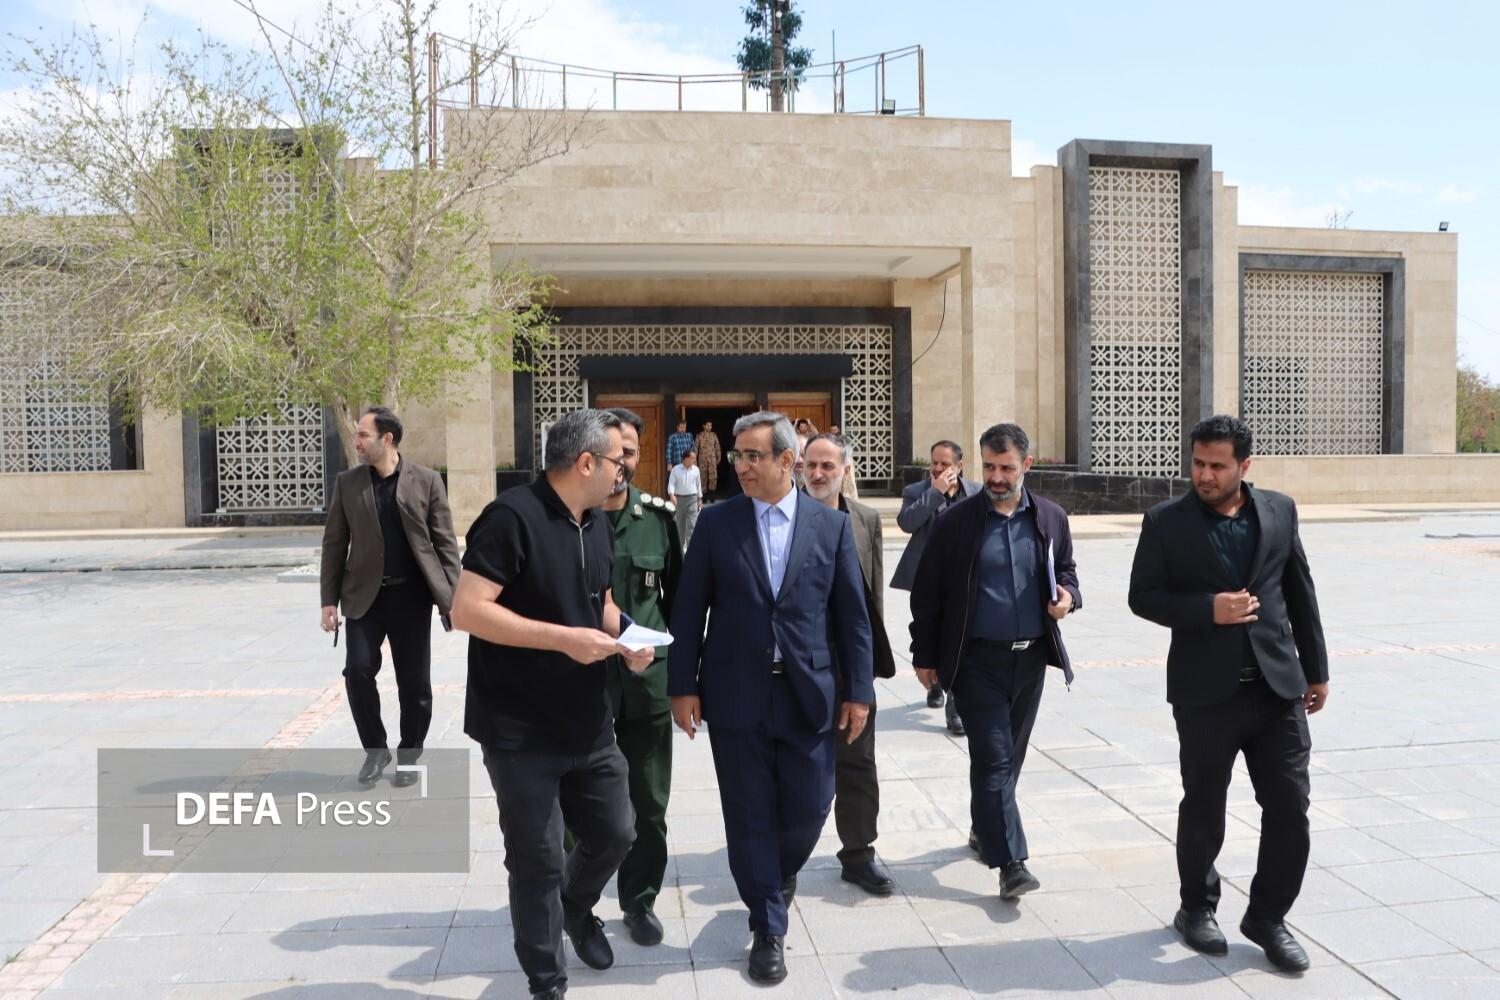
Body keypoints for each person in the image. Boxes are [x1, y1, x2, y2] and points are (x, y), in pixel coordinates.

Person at [450, 408, 655, 1000]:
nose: (623, 471)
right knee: (536, 858)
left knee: (617, 832)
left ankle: (576, 906)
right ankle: (547, 981)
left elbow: (601, 603)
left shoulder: (597, 523)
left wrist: (628, 639)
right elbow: (468, 609)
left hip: (588, 720)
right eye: (617, 462)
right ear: (586, 462)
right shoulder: (510, 518)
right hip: (519, 729)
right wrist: (564, 639)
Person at [668, 411, 874, 985]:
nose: (741, 465)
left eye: (753, 455)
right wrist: (682, 685)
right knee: (747, 811)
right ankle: (767, 925)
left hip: (809, 693)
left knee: (811, 806)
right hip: (735, 694)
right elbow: (688, 610)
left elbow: (852, 618)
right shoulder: (716, 523)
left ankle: (774, 876)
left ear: (788, 460)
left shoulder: (830, 526)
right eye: (738, 455)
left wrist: (859, 692)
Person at [1128, 415, 1329, 973]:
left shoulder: (1279, 511)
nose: (1204, 475)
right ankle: (1196, 907)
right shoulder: (1166, 522)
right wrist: (1207, 610)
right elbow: (1142, 596)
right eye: (1198, 463)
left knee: (1290, 808)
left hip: (1277, 690)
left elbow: (1299, 591)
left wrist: (1316, 670)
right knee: (1204, 807)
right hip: (1205, 695)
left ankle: (1268, 917)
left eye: (1217, 465)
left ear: (1244, 465)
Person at [909, 422, 1081, 900]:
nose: (997, 477)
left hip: (1031, 660)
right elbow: (927, 593)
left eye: (1006, 468)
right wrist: (925, 655)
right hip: (976, 662)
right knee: (994, 758)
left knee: (1008, 760)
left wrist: (1068, 598)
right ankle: (1011, 864)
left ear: (1027, 464)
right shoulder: (956, 523)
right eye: (989, 467)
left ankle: (985, 827)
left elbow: (1067, 572)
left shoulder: (1050, 518)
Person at [320, 406, 460, 786]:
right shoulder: (348, 483)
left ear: (387, 439)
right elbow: (334, 544)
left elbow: (445, 543)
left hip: (411, 597)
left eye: (363, 435)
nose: (356, 441)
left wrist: (452, 599)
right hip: (364, 598)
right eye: (356, 435)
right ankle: (376, 750)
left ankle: (409, 756)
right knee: (357, 671)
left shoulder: (427, 481)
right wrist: (328, 601)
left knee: (415, 684)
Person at [587, 407, 683, 946]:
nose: (620, 461)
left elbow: (680, 604)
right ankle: (576, 899)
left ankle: (639, 900)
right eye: (612, 451)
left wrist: (685, 680)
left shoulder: (659, 519)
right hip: (584, 684)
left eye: (629, 451)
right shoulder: (572, 519)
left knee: (648, 801)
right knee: (579, 801)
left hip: (647, 686)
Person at [802, 432, 895, 896]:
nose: (818, 474)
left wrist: (866, 667)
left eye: (828, 466)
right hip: (800, 665)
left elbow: (871, 596)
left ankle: (858, 853)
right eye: (811, 465)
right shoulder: (786, 517)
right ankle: (785, 853)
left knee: (858, 762)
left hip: (850, 662)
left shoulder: (865, 519)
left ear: (846, 471)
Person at [892, 439, 981, 736]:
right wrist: (935, 492)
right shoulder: (916, 491)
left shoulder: (976, 492)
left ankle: (956, 707)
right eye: (934, 463)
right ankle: (933, 683)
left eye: (945, 464)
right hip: (925, 579)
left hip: (963, 579)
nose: (938, 468)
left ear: (960, 466)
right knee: (929, 634)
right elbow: (907, 523)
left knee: (958, 639)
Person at [668, 450, 702, 548]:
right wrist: (672, 495)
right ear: (685, 459)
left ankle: (691, 547)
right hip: (680, 499)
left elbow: (698, 484)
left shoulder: (696, 470)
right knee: (680, 524)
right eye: (692, 458)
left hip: (693, 499)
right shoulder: (675, 469)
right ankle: (680, 546)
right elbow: (671, 483)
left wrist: (699, 499)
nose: (694, 460)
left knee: (692, 524)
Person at [695, 420, 721, 498]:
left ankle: (712, 495)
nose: (710, 427)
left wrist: (718, 457)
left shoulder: (714, 435)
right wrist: (694, 459)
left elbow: (717, 447)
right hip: (702, 460)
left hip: (712, 459)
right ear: (704, 426)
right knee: (703, 477)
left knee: (713, 477)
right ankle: (704, 496)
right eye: (708, 425)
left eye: (711, 426)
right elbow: (696, 447)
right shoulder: (699, 435)